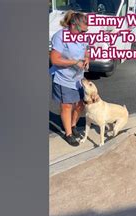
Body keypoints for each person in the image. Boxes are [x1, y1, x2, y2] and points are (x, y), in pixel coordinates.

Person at [50, 11, 90, 146]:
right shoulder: (60, 37)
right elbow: (54, 59)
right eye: (82, 31)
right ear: (73, 25)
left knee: (80, 104)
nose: (84, 34)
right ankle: (68, 133)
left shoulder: (82, 36)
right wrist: (74, 62)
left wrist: (86, 59)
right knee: (67, 106)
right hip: (63, 78)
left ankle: (73, 126)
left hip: (78, 78)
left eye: (85, 31)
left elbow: (86, 50)